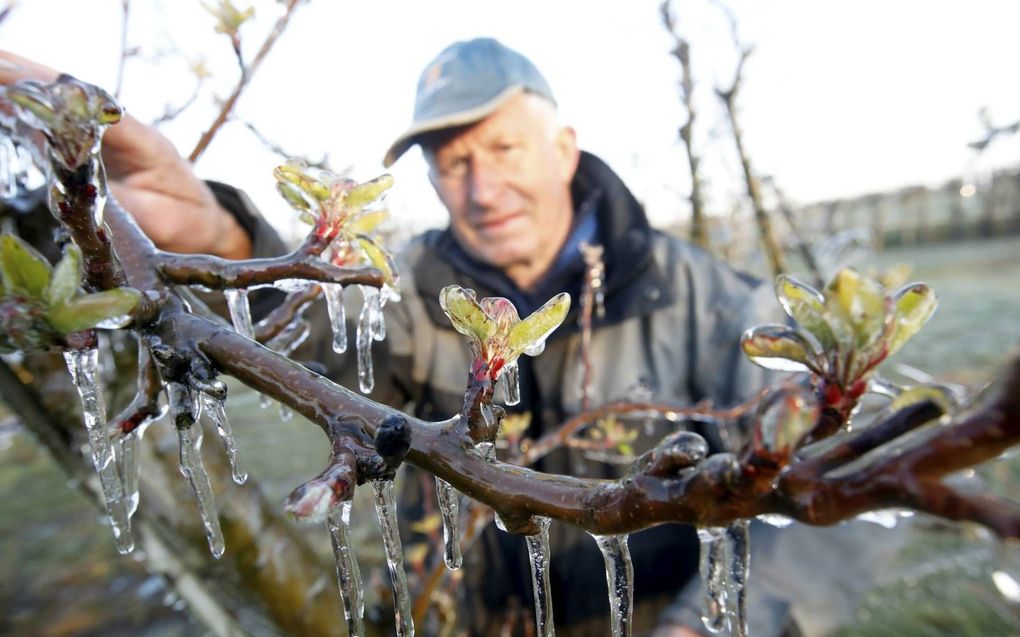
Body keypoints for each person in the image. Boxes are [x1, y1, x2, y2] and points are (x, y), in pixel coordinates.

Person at [1, 42, 899, 637]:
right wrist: (221, 237)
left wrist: (720, 622)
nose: (479, 184)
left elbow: (858, 479)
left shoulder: (702, 294)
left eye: (502, 147)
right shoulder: (415, 289)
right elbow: (322, 345)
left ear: (565, 144)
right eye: (453, 163)